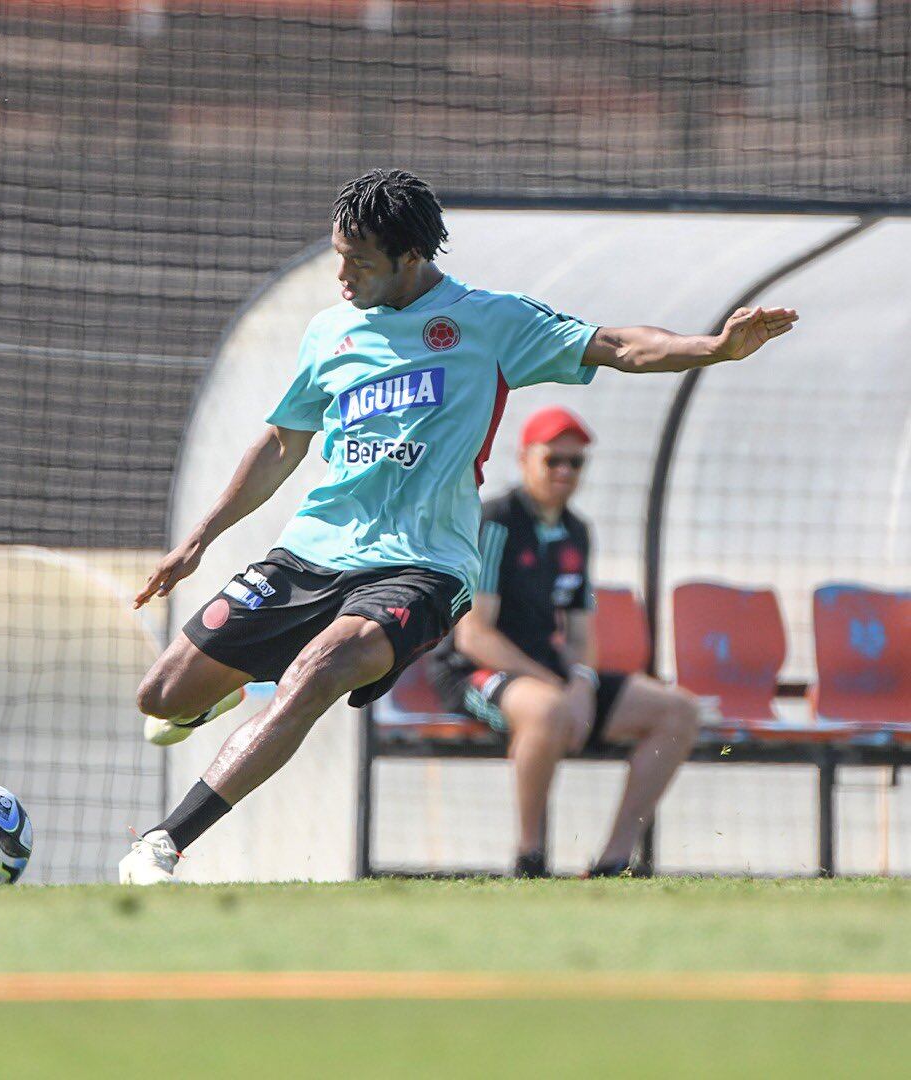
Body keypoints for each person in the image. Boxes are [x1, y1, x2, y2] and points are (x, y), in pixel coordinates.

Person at [119, 168, 797, 884]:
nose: (343, 276)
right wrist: (199, 538)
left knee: (319, 670)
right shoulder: (329, 331)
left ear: (411, 258)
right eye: (338, 257)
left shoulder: (487, 321)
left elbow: (618, 345)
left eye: (360, 262)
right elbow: (285, 441)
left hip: (422, 565)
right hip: (312, 553)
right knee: (160, 696)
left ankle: (164, 843)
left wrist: (712, 348)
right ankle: (225, 687)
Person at [429, 406, 700, 878]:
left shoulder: (577, 531)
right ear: (524, 459)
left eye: (575, 462)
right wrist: (558, 689)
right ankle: (530, 858)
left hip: (546, 674)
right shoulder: (496, 521)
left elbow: (580, 632)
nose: (564, 471)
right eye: (552, 459)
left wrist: (581, 684)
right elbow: (474, 636)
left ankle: (615, 861)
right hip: (474, 672)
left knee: (678, 712)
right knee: (548, 711)